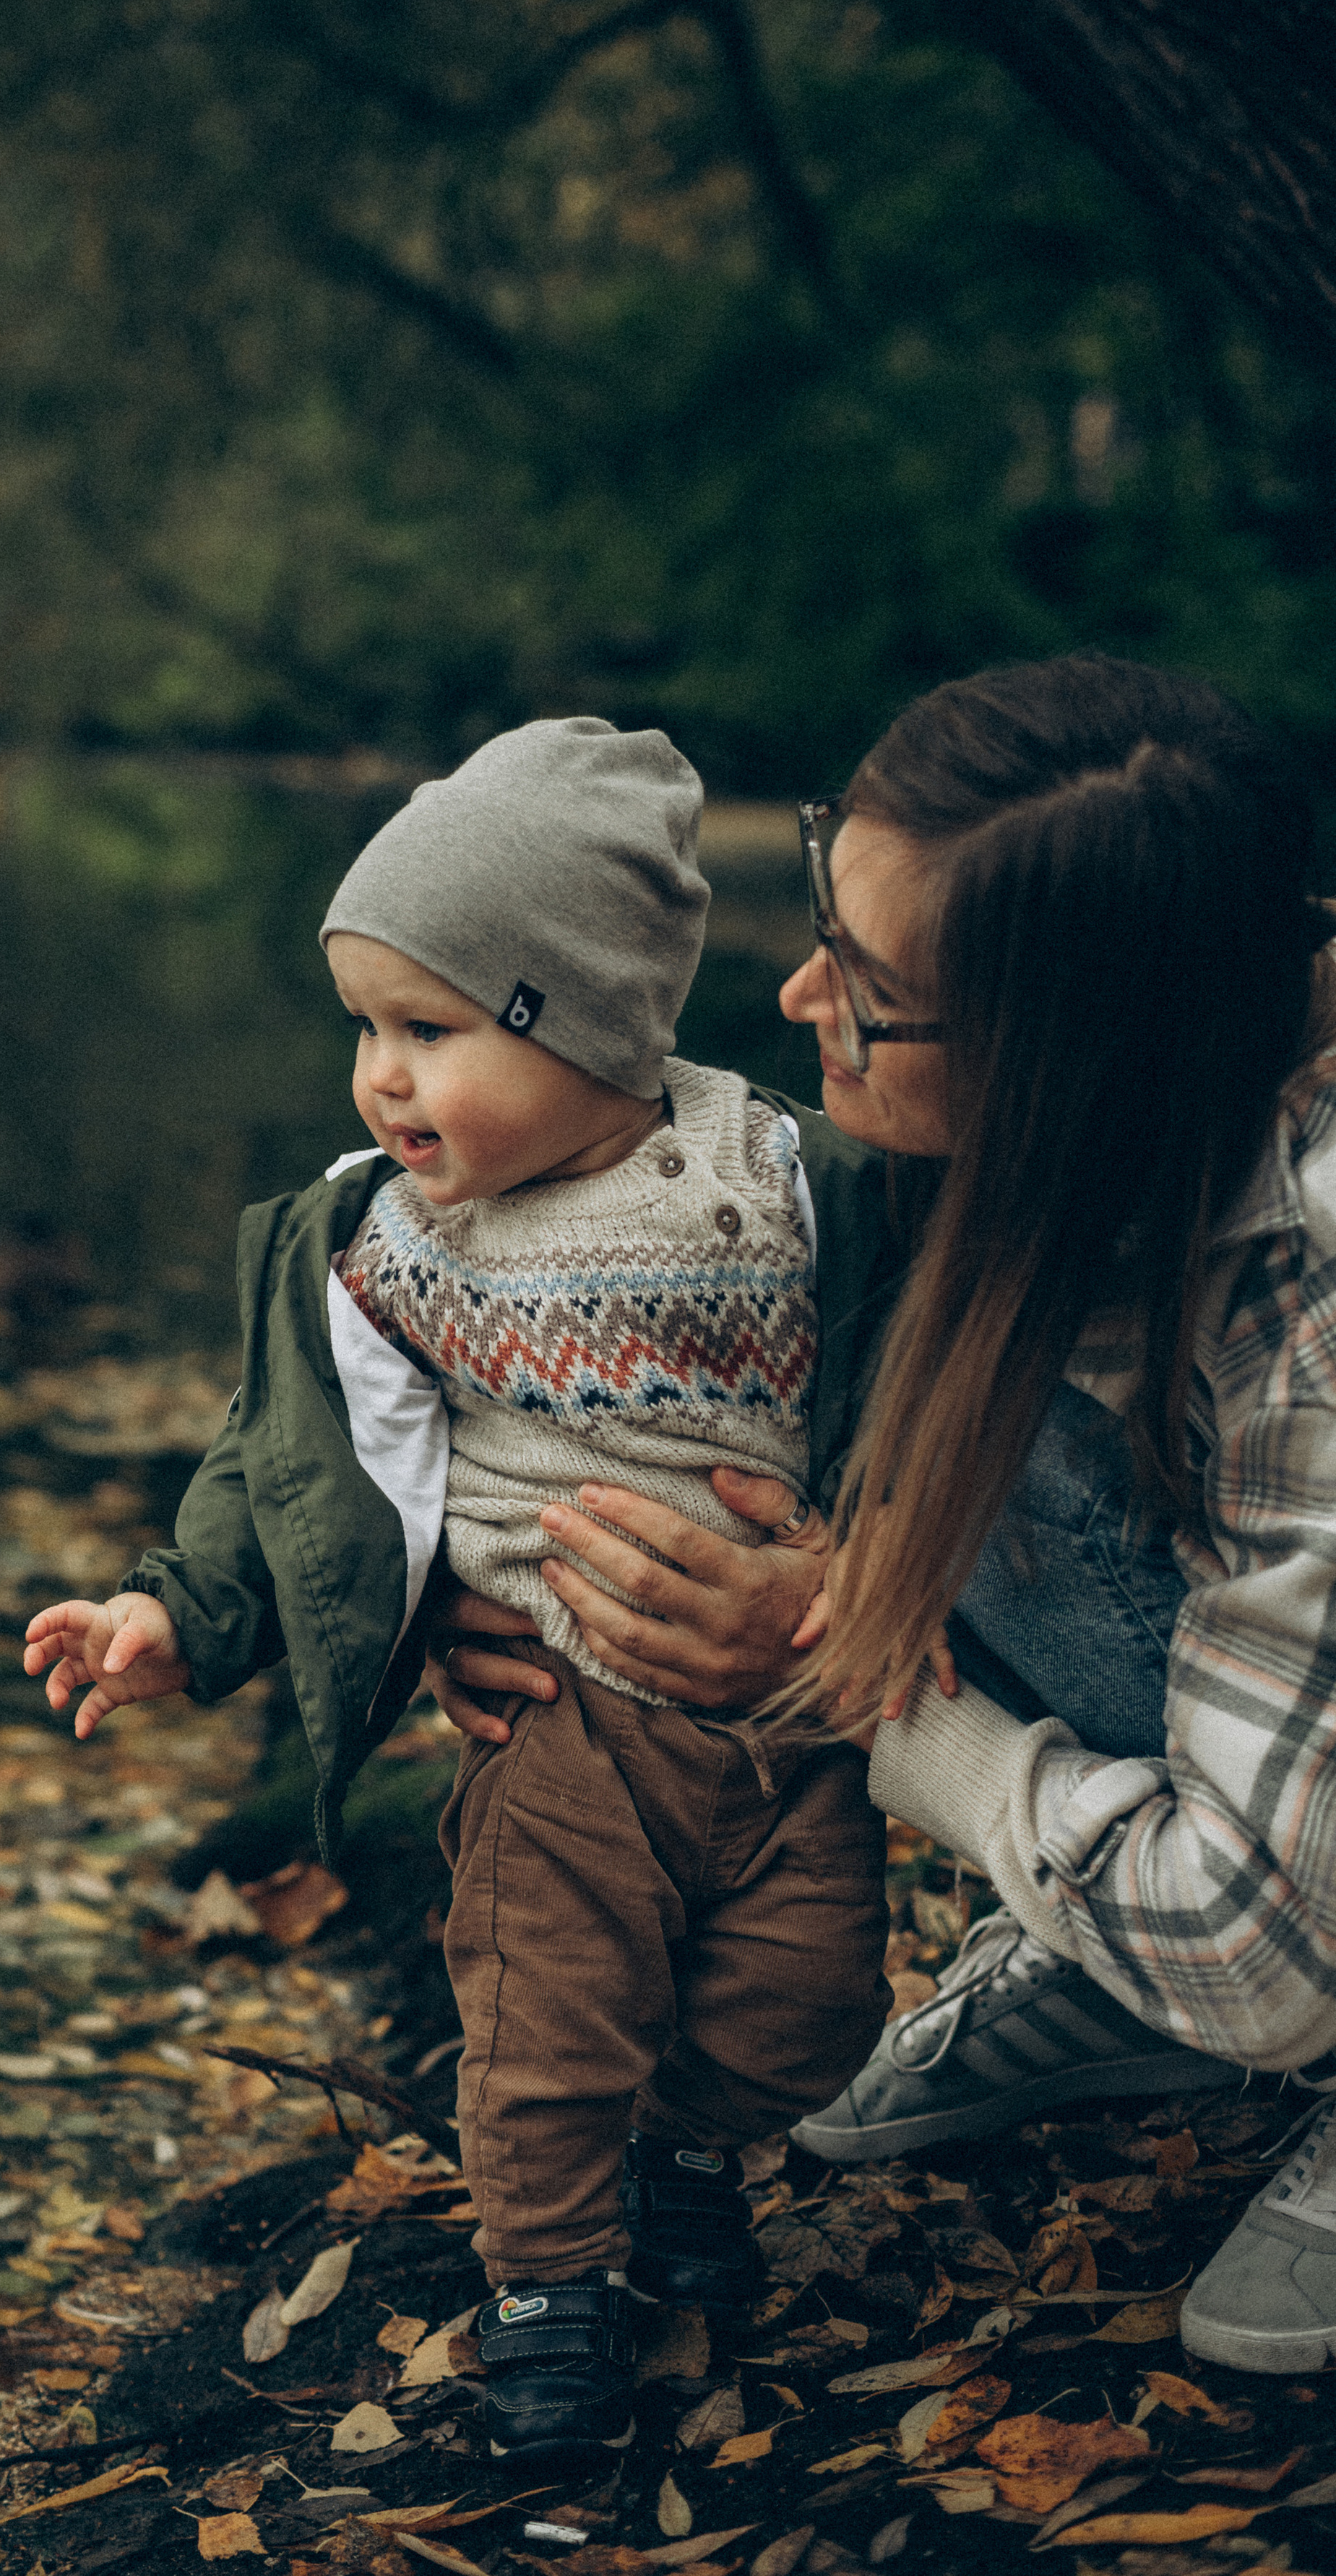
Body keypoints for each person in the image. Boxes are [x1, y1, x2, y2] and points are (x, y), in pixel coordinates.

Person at [428, 654, 1336, 2378]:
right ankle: (1114, 1938)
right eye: (822, 922)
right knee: (888, 1352)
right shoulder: (1182, 1025)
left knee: (1252, 1961)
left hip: (1269, 1918)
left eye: (867, 989)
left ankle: (1175, 1929)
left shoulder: (1311, 1307)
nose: (793, 1000)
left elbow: (1261, 1955)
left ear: (1068, 1058)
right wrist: (491, 1562)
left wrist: (849, 1676)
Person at [22, 716, 908, 2458]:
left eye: (427, 1032)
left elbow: (911, 1370)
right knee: (540, 2029)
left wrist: (884, 1563)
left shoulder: (784, 1178)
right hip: (554, 1720)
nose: (379, 1079)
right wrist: (179, 1614)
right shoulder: (393, 1241)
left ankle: (683, 2149)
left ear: (581, 1021)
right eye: (363, 1028)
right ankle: (548, 2286)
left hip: (786, 1723)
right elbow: (285, 1454)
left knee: (809, 2006)